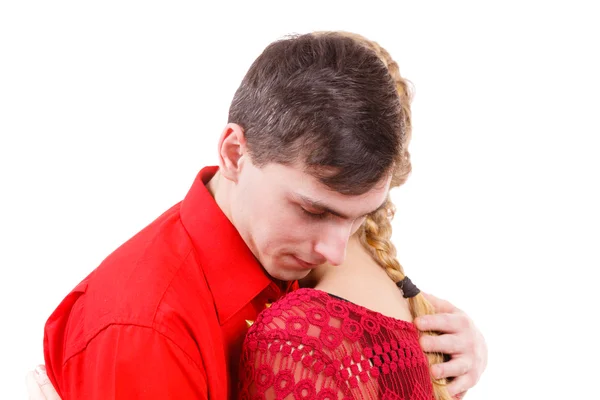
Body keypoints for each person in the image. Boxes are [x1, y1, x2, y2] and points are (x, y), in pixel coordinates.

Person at [29, 31, 487, 399]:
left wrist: (438, 356)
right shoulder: (146, 332)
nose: (336, 251)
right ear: (234, 154)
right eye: (312, 210)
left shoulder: (290, 250)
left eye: (357, 218)